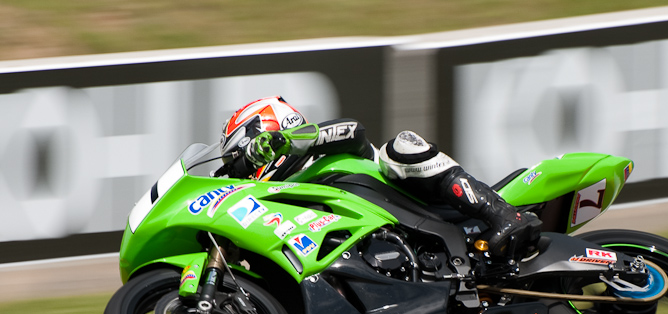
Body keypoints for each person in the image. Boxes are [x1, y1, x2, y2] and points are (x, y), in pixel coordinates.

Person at [218, 96, 541, 257]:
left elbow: (353, 129)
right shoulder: (286, 200)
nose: (242, 171)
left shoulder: (324, 155)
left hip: (431, 210)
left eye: (241, 160)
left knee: (399, 147)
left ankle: (501, 213)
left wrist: (286, 141)